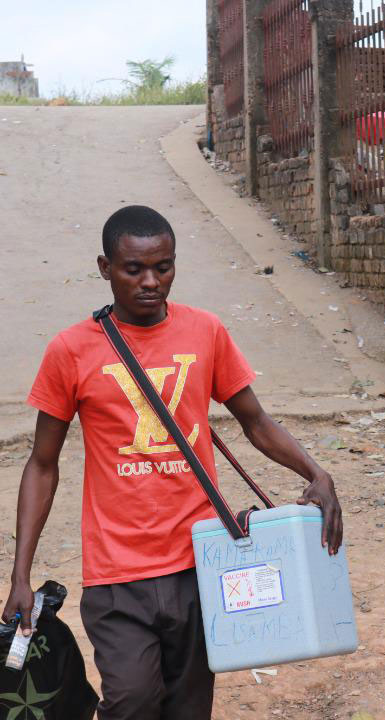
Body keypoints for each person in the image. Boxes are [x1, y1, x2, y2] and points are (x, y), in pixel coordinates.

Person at [3, 205, 344, 720]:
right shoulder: (70, 351)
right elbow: (42, 464)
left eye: (163, 267)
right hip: (116, 573)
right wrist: (20, 574)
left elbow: (255, 421)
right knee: (132, 700)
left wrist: (317, 474)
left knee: (189, 707)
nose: (150, 281)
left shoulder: (204, 332)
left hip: (200, 564)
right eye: (133, 269)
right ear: (104, 267)